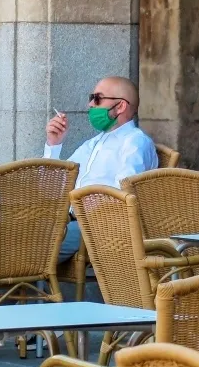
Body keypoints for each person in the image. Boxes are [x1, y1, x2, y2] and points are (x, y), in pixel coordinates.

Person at [44, 76, 158, 263]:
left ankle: (14, 287)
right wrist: (54, 145)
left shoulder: (135, 142)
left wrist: (78, 210)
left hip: (97, 227)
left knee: (25, 248)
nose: (90, 104)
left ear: (120, 106)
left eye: (97, 98)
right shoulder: (93, 143)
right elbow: (53, 186)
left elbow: (123, 195)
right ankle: (18, 288)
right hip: (68, 220)